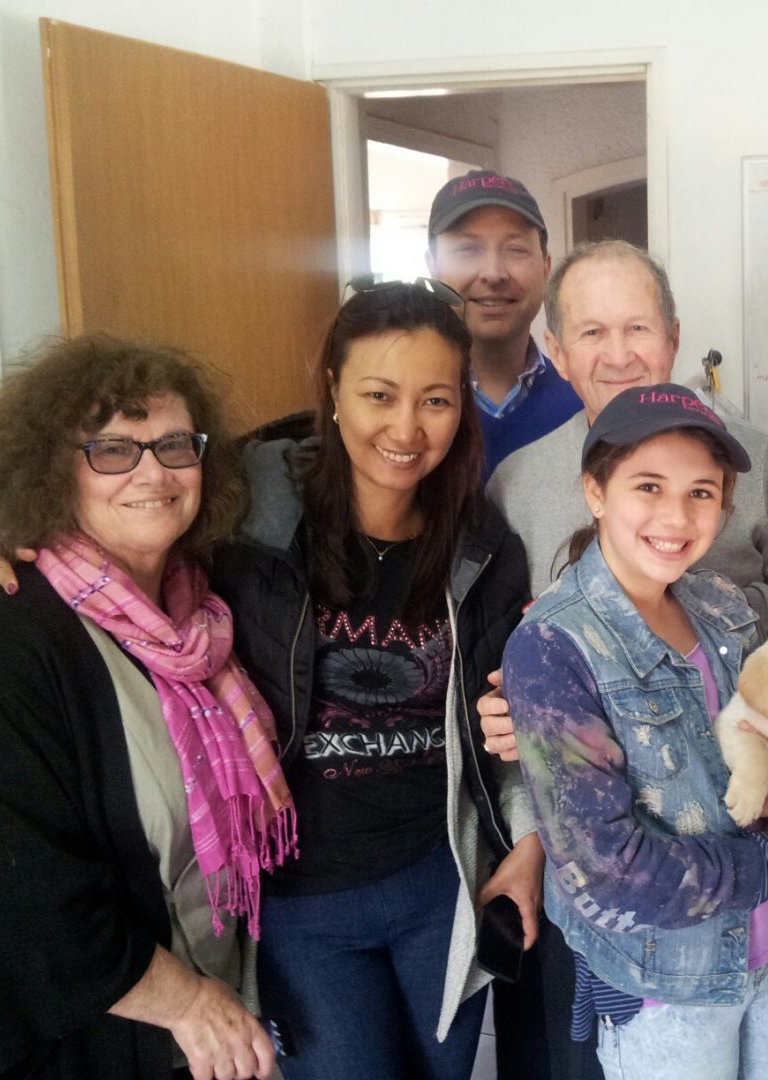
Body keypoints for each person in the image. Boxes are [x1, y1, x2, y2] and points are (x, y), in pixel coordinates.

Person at [205, 279, 541, 1080]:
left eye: (435, 400)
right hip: (302, 903)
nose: (406, 428)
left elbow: (502, 721)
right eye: (378, 395)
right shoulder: (248, 515)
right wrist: (12, 549)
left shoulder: (481, 544)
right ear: (331, 389)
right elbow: (128, 555)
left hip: (439, 886)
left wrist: (527, 842)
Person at [0, 337, 291, 1080]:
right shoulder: (9, 640)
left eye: (174, 445)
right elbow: (24, 894)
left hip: (204, 1030)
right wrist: (186, 1006)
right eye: (113, 450)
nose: (153, 472)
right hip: (85, 1046)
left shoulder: (206, 612)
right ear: (56, 473)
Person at [501, 384, 768, 1080]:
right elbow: (609, 874)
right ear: (596, 491)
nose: (677, 515)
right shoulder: (553, 645)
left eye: (702, 492)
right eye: (649, 485)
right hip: (666, 984)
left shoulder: (724, 607)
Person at [485, 239, 768, 633]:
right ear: (558, 352)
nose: (619, 356)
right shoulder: (514, 483)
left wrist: (722, 610)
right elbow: (492, 634)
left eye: (638, 328)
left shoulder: (753, 457)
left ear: (674, 339)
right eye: (592, 332)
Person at [426, 169, 583, 476]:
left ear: (546, 266)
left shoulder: (585, 402)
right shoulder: (403, 418)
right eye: (468, 249)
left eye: (515, 249)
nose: (494, 273)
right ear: (432, 267)